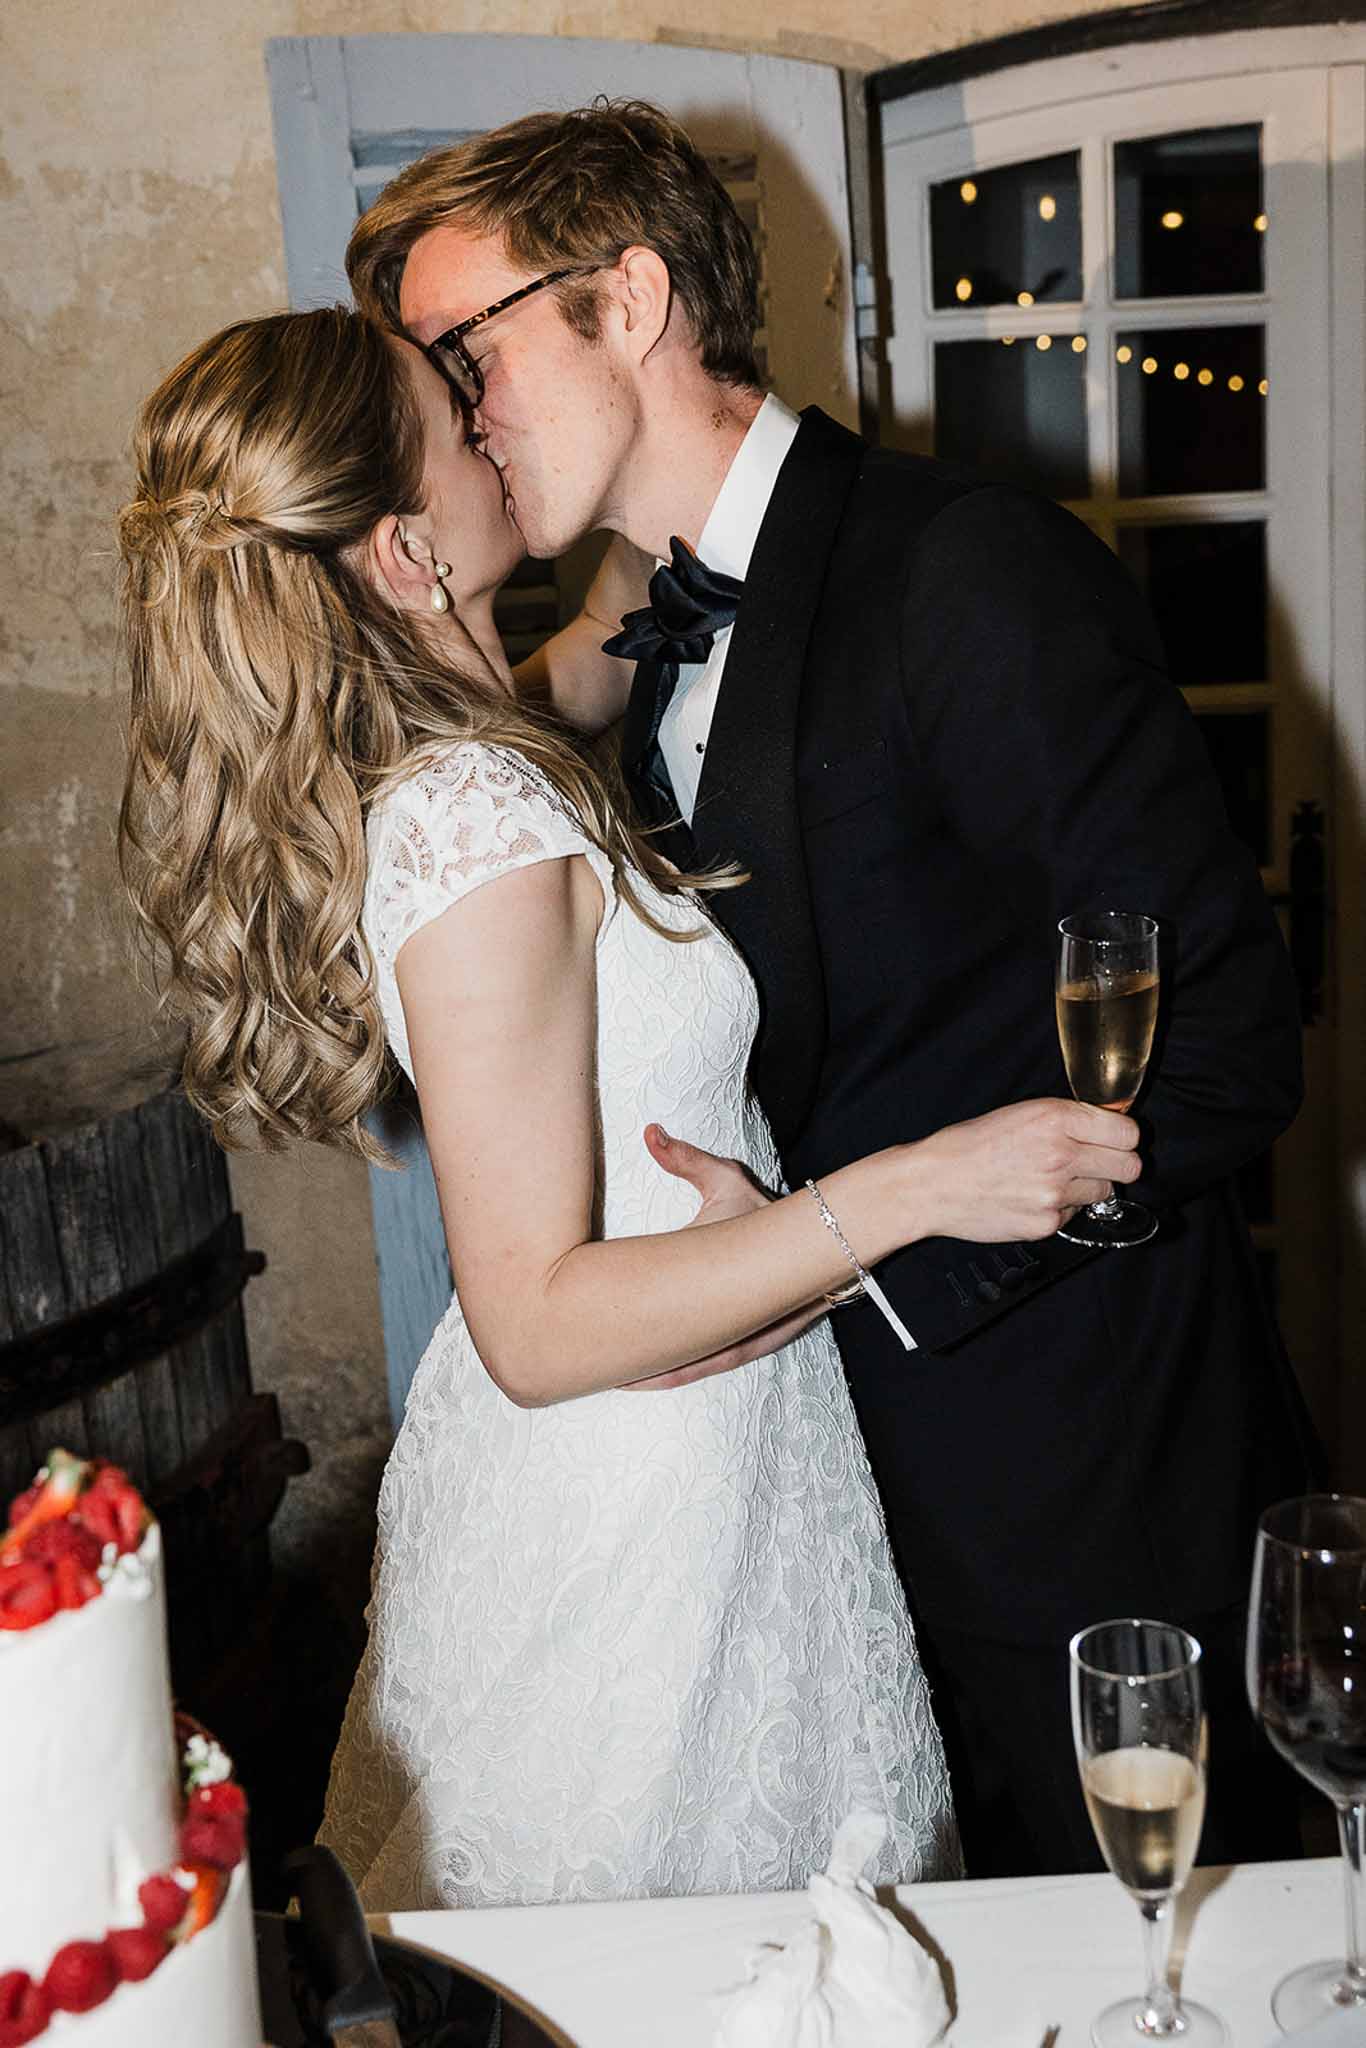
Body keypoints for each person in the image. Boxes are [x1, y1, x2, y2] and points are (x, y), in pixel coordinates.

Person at [347, 99, 1323, 1878]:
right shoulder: (628, 644)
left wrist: (864, 1261)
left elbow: (1230, 1048)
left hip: (1071, 1493)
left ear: (626, 297)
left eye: (464, 351)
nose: (459, 410)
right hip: (807, 1523)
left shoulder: (964, 572)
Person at [116, 306, 1139, 1909]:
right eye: (450, 420)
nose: (484, 425)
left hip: (708, 1445)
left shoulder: (475, 760)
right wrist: (912, 1185)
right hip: (634, 1518)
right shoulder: (474, 827)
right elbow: (527, 1322)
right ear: (404, 548)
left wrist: (646, 604)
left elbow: (556, 709)